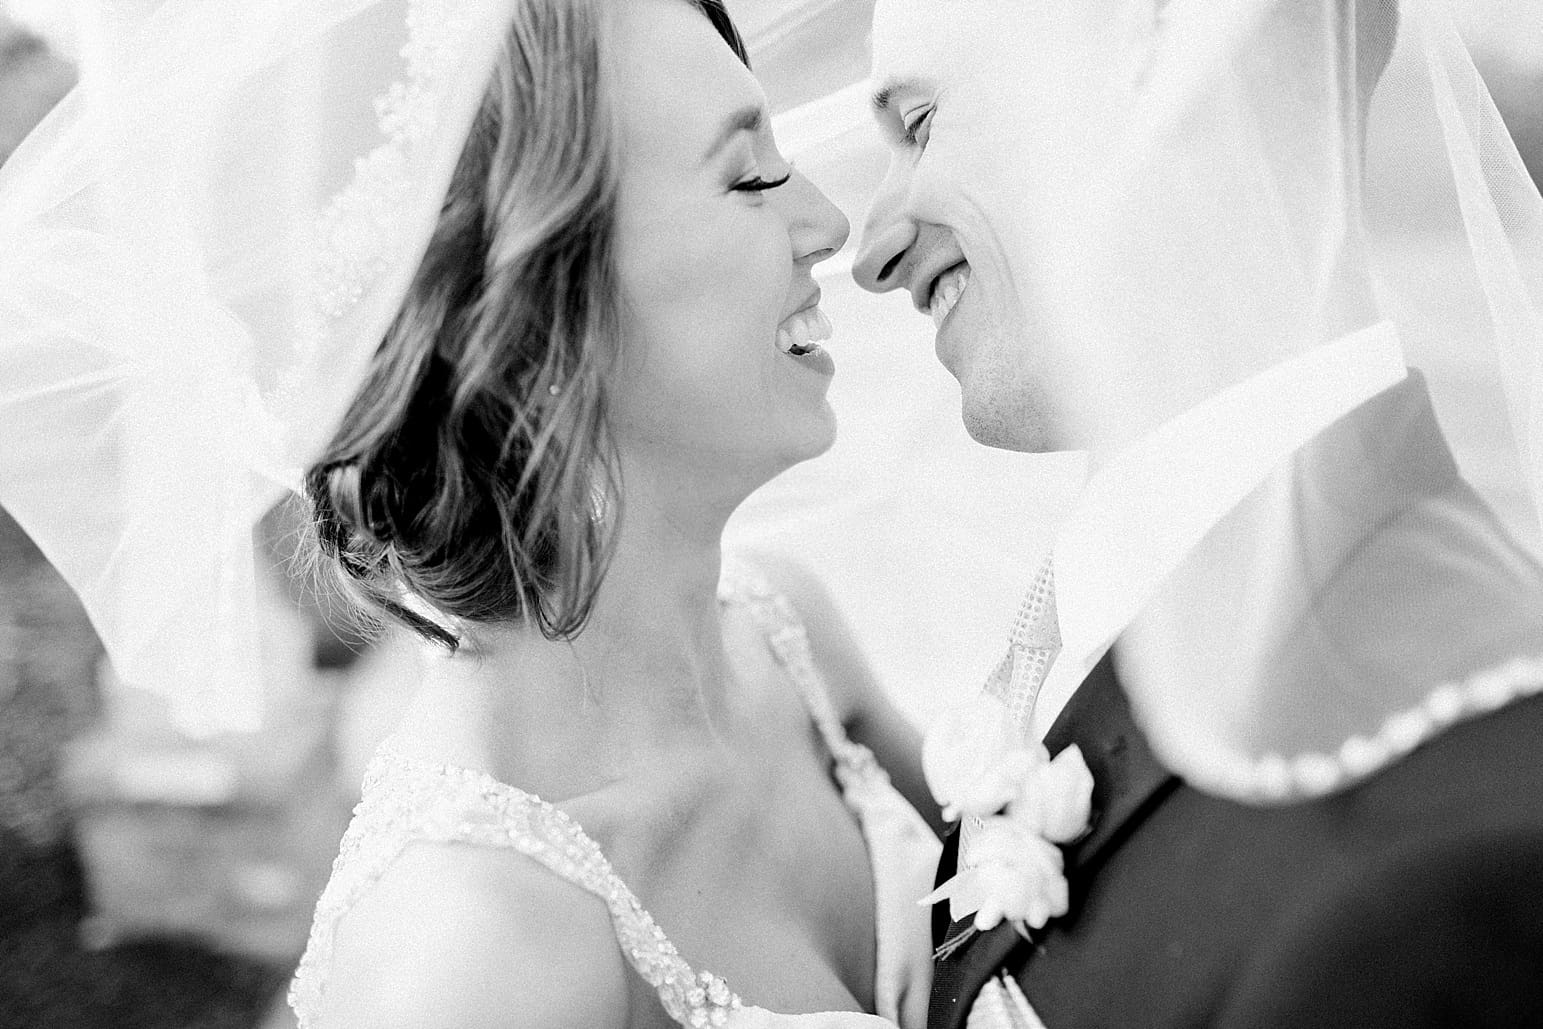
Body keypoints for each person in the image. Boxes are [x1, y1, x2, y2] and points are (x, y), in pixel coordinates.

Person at [0, 1, 943, 1027]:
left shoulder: (788, 640)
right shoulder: (475, 957)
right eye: (749, 175)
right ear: (533, 313)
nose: (829, 224)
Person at [852, 0, 1543, 1026]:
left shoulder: (1436, 857)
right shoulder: (1094, 654)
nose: (868, 250)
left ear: (1156, 56)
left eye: (919, 125)